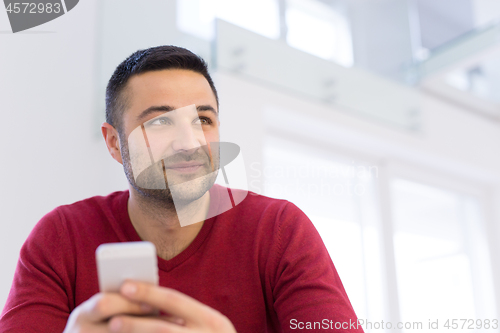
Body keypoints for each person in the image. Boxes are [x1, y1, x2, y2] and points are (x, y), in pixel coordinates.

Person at [0, 45, 363, 332]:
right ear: (114, 143)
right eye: (160, 122)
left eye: (203, 119)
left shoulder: (279, 229)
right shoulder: (61, 237)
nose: (188, 143)